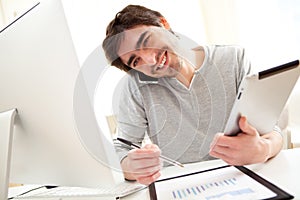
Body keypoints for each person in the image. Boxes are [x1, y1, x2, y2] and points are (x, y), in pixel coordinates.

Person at [102, 4, 283, 185]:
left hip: (241, 178)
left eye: (146, 41)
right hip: (182, 187)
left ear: (163, 24)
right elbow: (122, 149)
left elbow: (272, 132)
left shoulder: (234, 59)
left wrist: (263, 149)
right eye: (136, 60)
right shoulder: (135, 86)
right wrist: (131, 167)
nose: (150, 60)